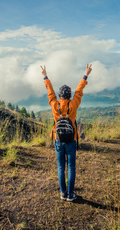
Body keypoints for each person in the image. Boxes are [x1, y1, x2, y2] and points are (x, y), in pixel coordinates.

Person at [40, 63, 93, 202]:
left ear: (59, 95)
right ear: (69, 96)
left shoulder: (54, 104)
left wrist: (45, 76)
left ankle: (63, 193)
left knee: (60, 166)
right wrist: (86, 74)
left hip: (58, 139)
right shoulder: (74, 103)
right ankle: (70, 194)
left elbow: (49, 91)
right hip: (71, 140)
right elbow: (80, 89)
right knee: (71, 166)